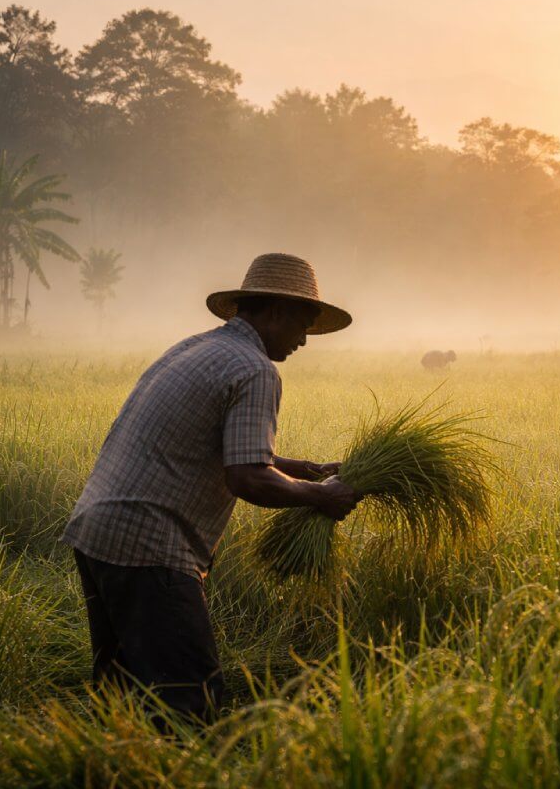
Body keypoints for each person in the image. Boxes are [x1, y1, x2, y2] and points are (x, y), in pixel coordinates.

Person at [61, 252, 360, 723]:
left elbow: (219, 447)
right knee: (190, 700)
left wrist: (303, 470)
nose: (304, 340)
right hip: (149, 546)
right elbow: (246, 478)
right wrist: (323, 497)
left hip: (98, 531)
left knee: (119, 695)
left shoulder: (195, 348)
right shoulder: (256, 369)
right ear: (277, 311)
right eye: (303, 323)